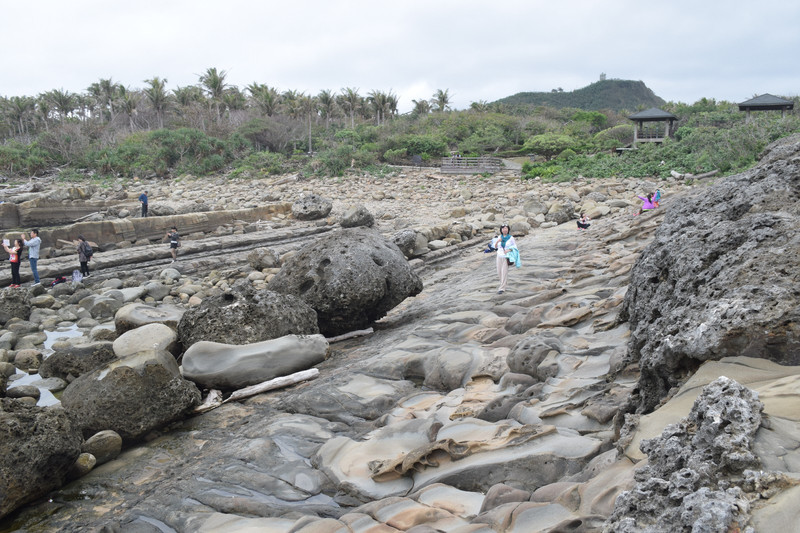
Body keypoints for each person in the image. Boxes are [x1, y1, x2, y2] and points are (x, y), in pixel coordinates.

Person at [490, 224, 517, 294]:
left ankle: (502, 288)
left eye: (506, 228)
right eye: (503, 228)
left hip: (506, 257)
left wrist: (508, 250)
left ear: (508, 230)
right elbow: (495, 247)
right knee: (499, 272)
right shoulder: (499, 237)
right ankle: (503, 284)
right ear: (501, 230)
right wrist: (497, 241)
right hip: (499, 256)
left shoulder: (511, 238)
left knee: (504, 272)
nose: (505, 230)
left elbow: (515, 247)